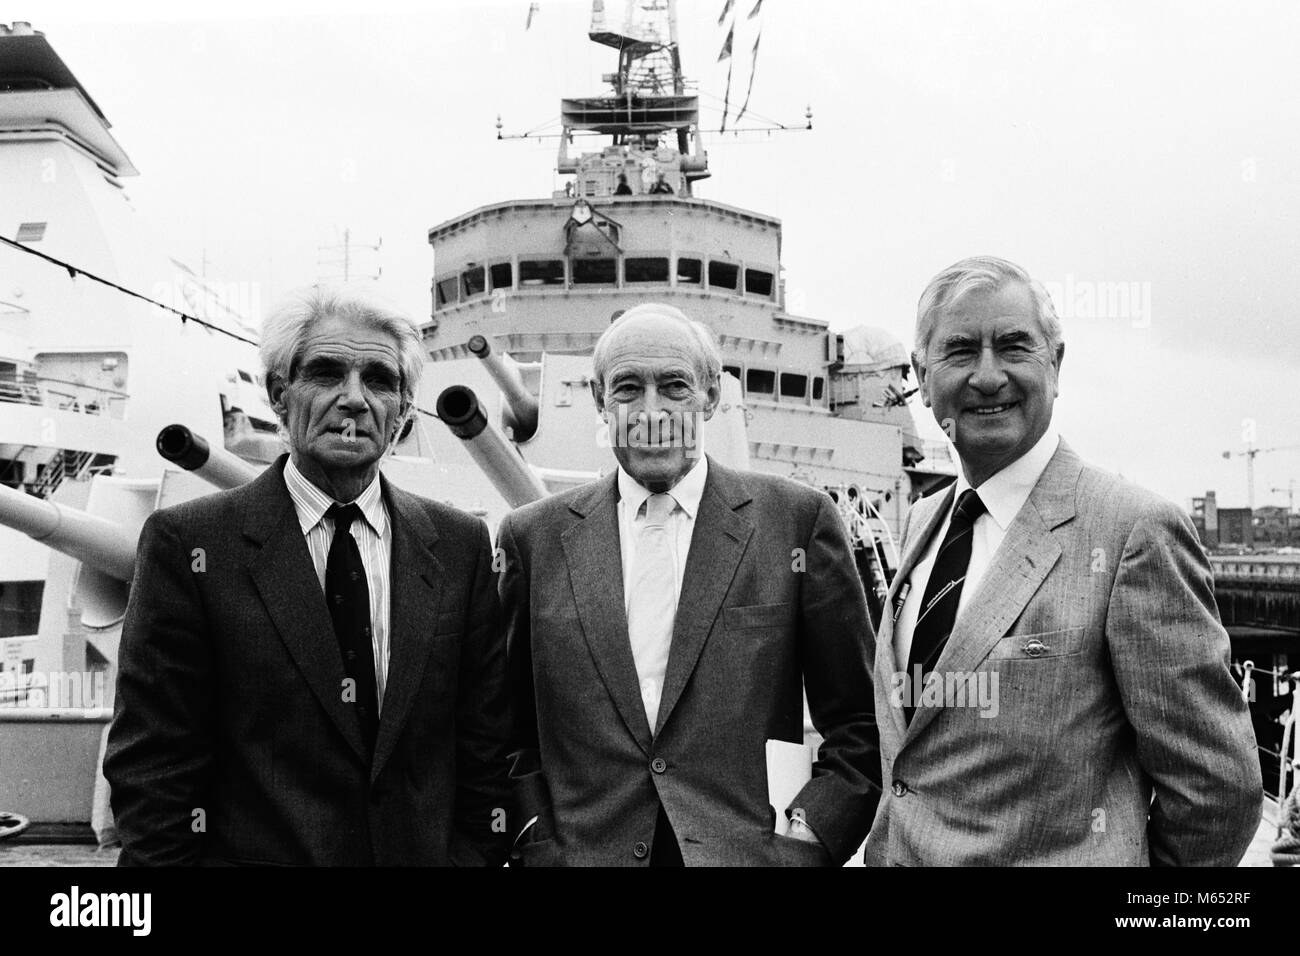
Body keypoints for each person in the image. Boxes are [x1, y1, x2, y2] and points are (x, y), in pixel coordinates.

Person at [864, 255, 1261, 866]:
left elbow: (1216, 791)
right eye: (961, 351)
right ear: (921, 373)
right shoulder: (924, 521)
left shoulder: (1134, 532)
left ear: (1056, 363)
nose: (988, 376)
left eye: (1015, 347)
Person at [104, 285, 512, 866]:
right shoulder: (190, 546)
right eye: (326, 374)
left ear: (401, 411)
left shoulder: (459, 546)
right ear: (279, 393)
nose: (354, 399)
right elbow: (153, 767)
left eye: (379, 379)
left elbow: (485, 749)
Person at [498, 302, 880, 866]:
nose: (652, 412)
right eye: (627, 389)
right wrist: (534, 836)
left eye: (674, 387)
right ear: (600, 401)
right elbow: (499, 723)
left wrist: (809, 843)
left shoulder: (796, 522)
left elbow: (859, 720)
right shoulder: (531, 538)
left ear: (710, 396)